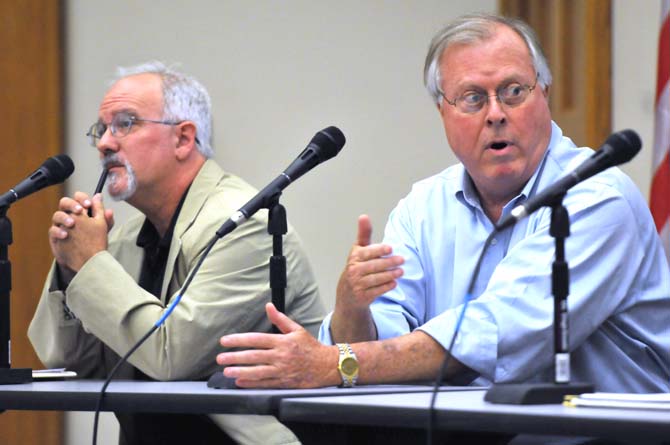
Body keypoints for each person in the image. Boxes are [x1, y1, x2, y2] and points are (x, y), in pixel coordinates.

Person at [215, 13, 670, 393]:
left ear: (544, 95)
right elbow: (384, 344)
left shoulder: (598, 198)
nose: (495, 113)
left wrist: (336, 364)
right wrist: (352, 308)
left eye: (514, 91)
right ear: (443, 114)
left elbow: (496, 334)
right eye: (473, 98)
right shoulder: (424, 206)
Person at [28, 61, 325, 445]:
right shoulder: (124, 237)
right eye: (101, 129)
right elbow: (70, 363)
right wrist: (73, 270)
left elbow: (172, 357)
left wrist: (91, 263)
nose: (104, 143)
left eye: (125, 123)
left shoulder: (245, 224)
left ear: (184, 139)